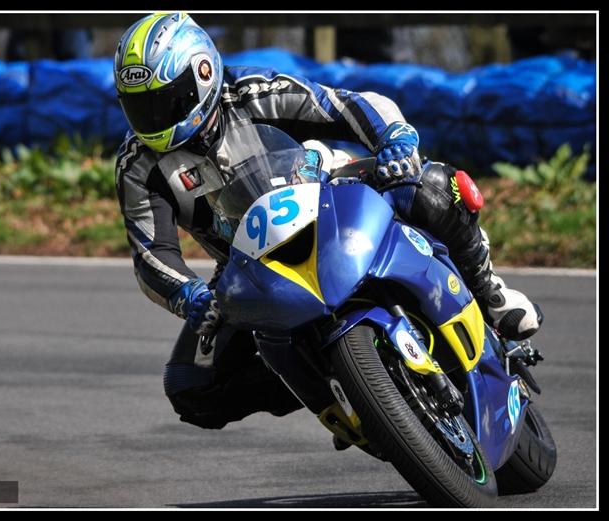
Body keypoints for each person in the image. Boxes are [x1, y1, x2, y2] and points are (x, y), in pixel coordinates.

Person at [113, 13, 543, 431]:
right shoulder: (137, 166)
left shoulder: (251, 90)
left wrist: (396, 140)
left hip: (333, 194)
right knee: (191, 385)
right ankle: (334, 389)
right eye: (139, 107)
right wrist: (188, 294)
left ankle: (490, 293)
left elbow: (351, 105)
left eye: (165, 101)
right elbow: (151, 255)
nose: (154, 118)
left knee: (433, 185)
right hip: (250, 262)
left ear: (203, 73)